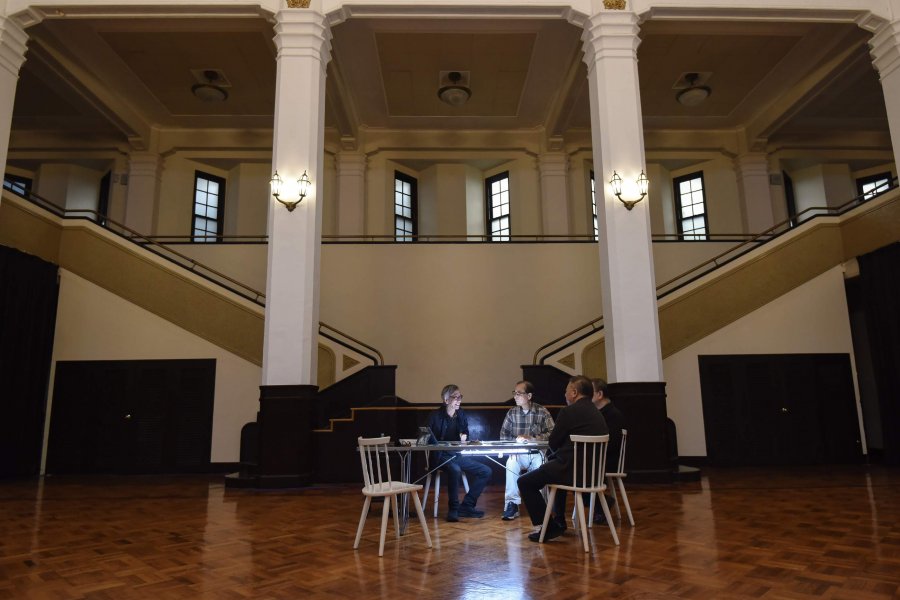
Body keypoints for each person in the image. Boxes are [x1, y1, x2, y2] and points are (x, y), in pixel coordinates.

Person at [517, 375, 608, 542]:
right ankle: (558, 521)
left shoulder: (568, 412)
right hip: (594, 474)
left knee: (524, 481)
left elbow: (553, 442)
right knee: (553, 469)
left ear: (574, 392)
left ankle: (549, 527)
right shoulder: (597, 412)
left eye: (566, 391)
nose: (565, 394)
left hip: (572, 471)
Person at [427, 384, 492, 522]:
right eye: (455, 397)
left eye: (460, 397)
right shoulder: (434, 416)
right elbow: (425, 436)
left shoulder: (461, 414)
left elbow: (465, 431)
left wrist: (464, 436)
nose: (459, 400)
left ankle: (467, 506)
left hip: (457, 455)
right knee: (455, 470)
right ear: (446, 400)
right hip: (440, 457)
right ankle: (454, 509)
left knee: (485, 471)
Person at [498, 380, 555, 521]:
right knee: (511, 463)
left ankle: (540, 505)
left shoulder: (542, 411)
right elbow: (503, 436)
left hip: (537, 453)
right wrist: (513, 446)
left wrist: (533, 438)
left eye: (519, 393)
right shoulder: (512, 413)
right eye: (515, 393)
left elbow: (553, 433)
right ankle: (512, 504)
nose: (515, 396)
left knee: (540, 465)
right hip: (518, 453)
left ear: (529, 396)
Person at [592, 377, 625, 524]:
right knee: (575, 468)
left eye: (590, 392)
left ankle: (601, 503)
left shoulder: (613, 414)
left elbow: (612, 443)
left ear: (599, 394)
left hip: (609, 459)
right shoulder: (596, 413)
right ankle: (602, 502)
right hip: (599, 456)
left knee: (579, 468)